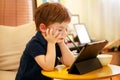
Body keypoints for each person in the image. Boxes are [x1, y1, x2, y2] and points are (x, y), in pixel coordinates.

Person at [15, 2, 75, 80]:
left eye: (66, 29)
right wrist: (51, 43)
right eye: (60, 29)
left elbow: (70, 62)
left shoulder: (56, 42)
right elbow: (48, 67)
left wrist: (61, 43)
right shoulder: (34, 44)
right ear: (43, 28)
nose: (64, 33)